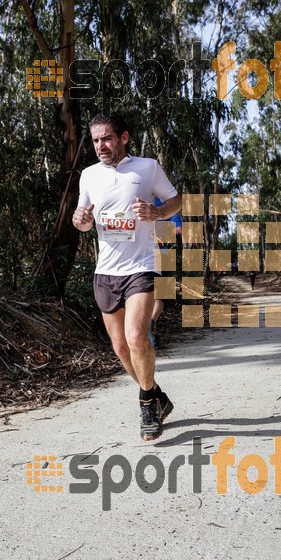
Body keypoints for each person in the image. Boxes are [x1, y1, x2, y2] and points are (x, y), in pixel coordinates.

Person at [73, 113, 182, 441]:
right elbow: (83, 221)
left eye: (106, 138)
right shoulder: (88, 176)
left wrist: (159, 212)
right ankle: (157, 394)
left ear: (124, 137)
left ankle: (147, 403)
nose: (100, 146)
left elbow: (176, 200)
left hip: (142, 266)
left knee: (137, 336)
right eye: (95, 140)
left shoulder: (147, 168)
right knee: (121, 347)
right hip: (106, 271)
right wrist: (80, 219)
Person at [149, 198, 183, 350]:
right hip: (162, 254)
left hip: (142, 256)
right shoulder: (167, 204)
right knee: (160, 296)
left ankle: (148, 329)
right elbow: (179, 229)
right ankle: (150, 324)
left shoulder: (136, 199)